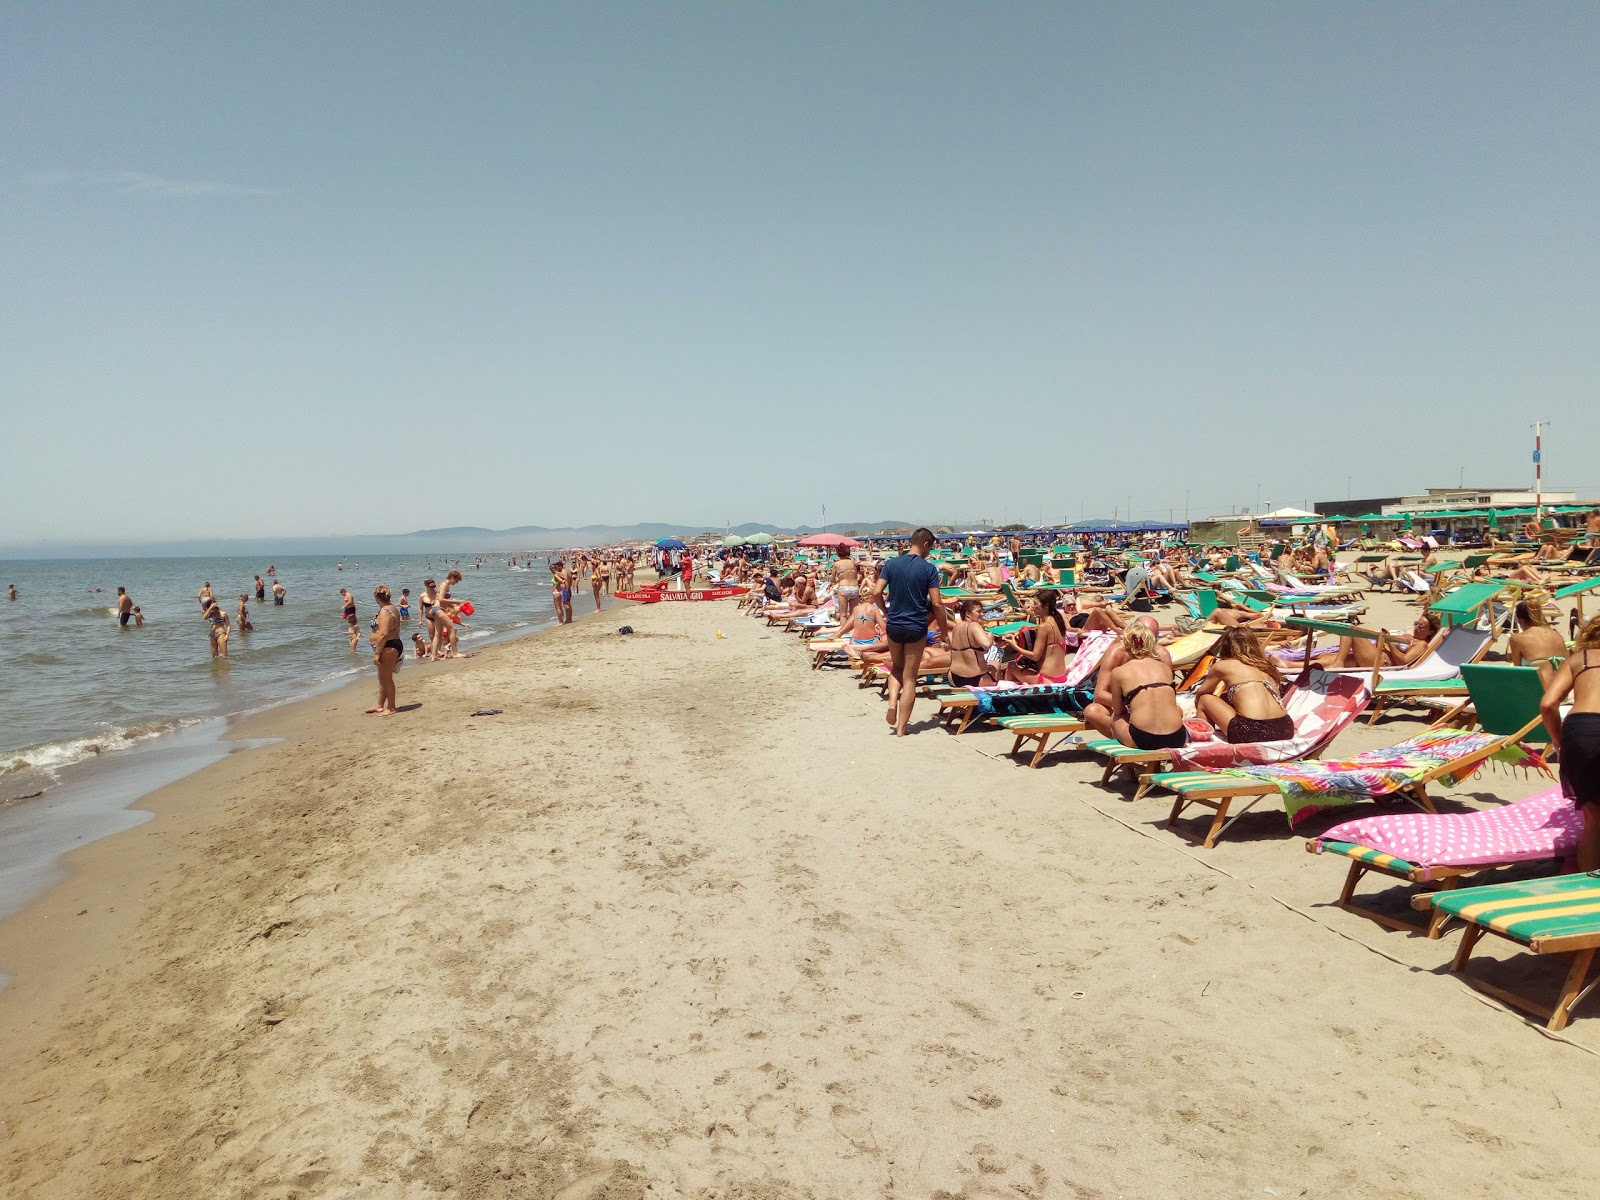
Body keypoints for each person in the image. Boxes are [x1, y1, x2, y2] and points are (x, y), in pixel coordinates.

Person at [869, 527, 951, 736]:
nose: (929, 552)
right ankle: (902, 728)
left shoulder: (891, 564)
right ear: (925, 544)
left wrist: (885, 611)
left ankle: (891, 704)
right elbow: (938, 604)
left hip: (894, 624)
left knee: (896, 668)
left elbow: (876, 592)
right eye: (930, 548)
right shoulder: (929, 569)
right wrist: (944, 631)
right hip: (916, 626)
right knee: (910, 678)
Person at [1539, 614, 1600, 871]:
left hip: (1580, 731)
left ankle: (1585, 894)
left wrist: (1557, 741)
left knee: (1594, 821)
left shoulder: (1578, 660)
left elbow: (1548, 704)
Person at [1089, 622, 1186, 749]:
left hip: (1144, 740)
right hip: (1178, 738)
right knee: (1175, 709)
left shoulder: (1119, 672)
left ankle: (1130, 759)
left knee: (1116, 716)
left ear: (1126, 645)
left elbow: (1119, 710)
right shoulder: (1165, 668)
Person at [1195, 628, 1294, 743]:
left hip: (1251, 731)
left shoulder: (1222, 666)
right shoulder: (1266, 666)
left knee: (1205, 699)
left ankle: (1202, 742)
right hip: (1284, 729)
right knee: (1224, 698)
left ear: (1226, 646)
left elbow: (1201, 693)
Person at [1315, 611, 1441, 671]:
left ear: (1430, 632)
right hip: (1372, 655)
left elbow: (1402, 661)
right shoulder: (1409, 637)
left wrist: (1390, 643)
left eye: (1421, 626)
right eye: (1416, 623)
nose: (1417, 628)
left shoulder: (1422, 645)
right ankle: (1295, 666)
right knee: (1324, 659)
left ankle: (1339, 663)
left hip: (1381, 662)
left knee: (1350, 630)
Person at [1004, 589, 1070, 684]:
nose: (1033, 607)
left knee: (1011, 666)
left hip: (1047, 679)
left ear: (1046, 606)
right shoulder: (1058, 621)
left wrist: (1014, 645)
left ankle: (1009, 693)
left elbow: (1035, 656)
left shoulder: (1044, 626)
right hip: (1061, 677)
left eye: (1035, 603)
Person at [1507, 598, 1567, 686]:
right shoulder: (1556, 634)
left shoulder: (1517, 638)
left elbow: (1518, 671)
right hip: (1562, 688)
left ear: (1519, 620)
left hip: (1540, 689)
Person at [367, 585, 403, 715]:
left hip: (388, 645)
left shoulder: (384, 611)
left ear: (376, 597)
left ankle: (392, 707)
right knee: (382, 677)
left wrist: (377, 653)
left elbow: (383, 634)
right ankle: (379, 705)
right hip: (392, 644)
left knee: (386, 678)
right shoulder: (392, 608)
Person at [947, 598, 998, 687]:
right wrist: (990, 634)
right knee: (995, 664)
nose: (982, 614)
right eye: (979, 611)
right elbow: (986, 645)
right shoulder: (974, 625)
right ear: (968, 614)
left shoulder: (956, 628)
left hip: (954, 677)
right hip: (975, 679)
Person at [830, 546, 861, 624]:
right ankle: (853, 631)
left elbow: (832, 580)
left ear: (838, 553)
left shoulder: (836, 564)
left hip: (843, 587)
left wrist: (837, 580)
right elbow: (855, 576)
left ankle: (843, 633)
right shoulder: (853, 562)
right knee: (853, 614)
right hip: (854, 587)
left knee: (843, 615)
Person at [340, 588, 360, 652]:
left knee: (351, 618)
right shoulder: (346, 595)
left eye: (342, 594)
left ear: (343, 592)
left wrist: (344, 606)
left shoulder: (349, 595)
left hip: (351, 608)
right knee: (344, 618)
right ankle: (351, 628)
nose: (342, 596)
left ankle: (354, 629)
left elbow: (350, 602)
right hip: (347, 609)